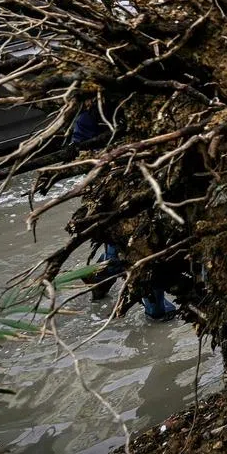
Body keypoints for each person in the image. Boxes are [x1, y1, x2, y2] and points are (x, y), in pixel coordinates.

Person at [73, 104, 179, 321]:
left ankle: (99, 276)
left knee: (134, 243)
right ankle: (155, 308)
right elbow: (82, 154)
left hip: (146, 183)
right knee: (138, 245)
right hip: (116, 192)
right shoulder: (92, 115)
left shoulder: (139, 106)